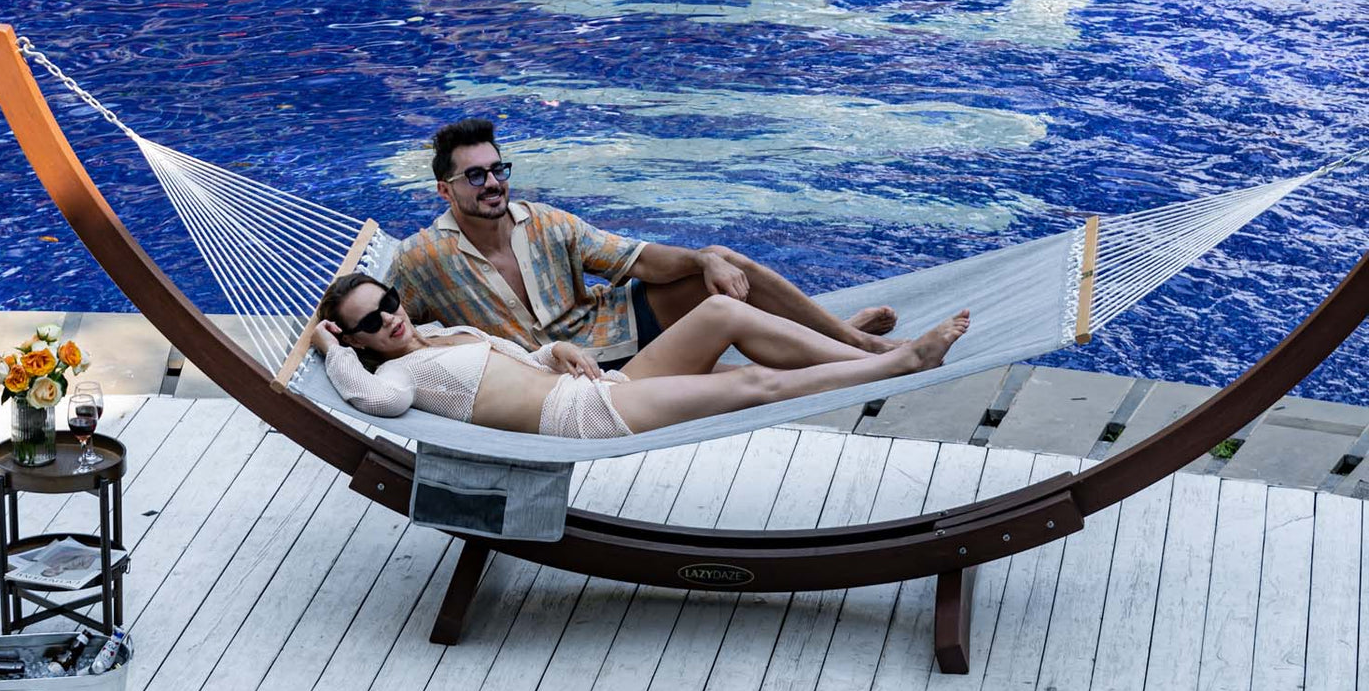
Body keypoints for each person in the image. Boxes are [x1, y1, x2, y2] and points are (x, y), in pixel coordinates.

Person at [388, 118, 905, 371]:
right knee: (724, 351)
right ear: (445, 189)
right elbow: (383, 325)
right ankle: (841, 343)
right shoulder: (422, 257)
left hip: (612, 326)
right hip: (565, 373)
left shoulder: (545, 222)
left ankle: (850, 341)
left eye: (497, 170)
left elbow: (637, 259)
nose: (493, 184)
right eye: (475, 177)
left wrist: (704, 259)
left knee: (720, 262)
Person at [311, 272, 969, 439]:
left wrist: (556, 351)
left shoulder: (444, 333)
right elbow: (375, 401)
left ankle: (846, 346)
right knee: (752, 385)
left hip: (601, 384)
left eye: (388, 301)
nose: (389, 318)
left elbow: (516, 371)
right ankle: (897, 364)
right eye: (369, 321)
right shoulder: (394, 374)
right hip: (585, 418)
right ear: (357, 337)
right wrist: (324, 344)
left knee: (720, 313)